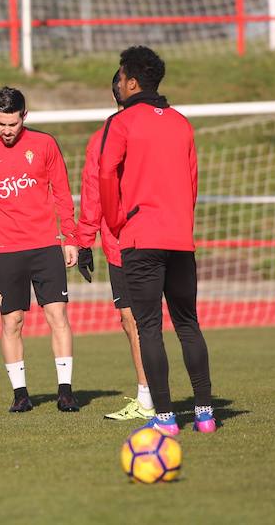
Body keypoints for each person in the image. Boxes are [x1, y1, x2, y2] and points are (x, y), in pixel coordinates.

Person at [98, 45, 216, 435]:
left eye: (118, 77)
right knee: (188, 324)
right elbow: (193, 182)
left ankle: (165, 417)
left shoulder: (122, 123)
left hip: (141, 238)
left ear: (131, 82)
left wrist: (116, 221)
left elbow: (105, 175)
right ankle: (205, 413)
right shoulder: (182, 122)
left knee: (149, 327)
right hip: (180, 238)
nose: (115, 83)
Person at [0, 86, 80, 414]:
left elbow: (61, 192)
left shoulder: (45, 144)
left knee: (57, 315)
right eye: (1, 123)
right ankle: (20, 394)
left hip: (46, 245)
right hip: (6, 251)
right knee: (12, 321)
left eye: (12, 124)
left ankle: (65, 391)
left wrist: (69, 237)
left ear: (24, 117)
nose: (6, 130)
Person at [76, 71, 155, 421]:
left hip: (127, 240)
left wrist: (83, 241)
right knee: (163, 318)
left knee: (134, 319)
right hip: (157, 235)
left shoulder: (108, 136)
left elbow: (93, 190)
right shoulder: (162, 128)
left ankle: (150, 397)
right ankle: (187, 402)